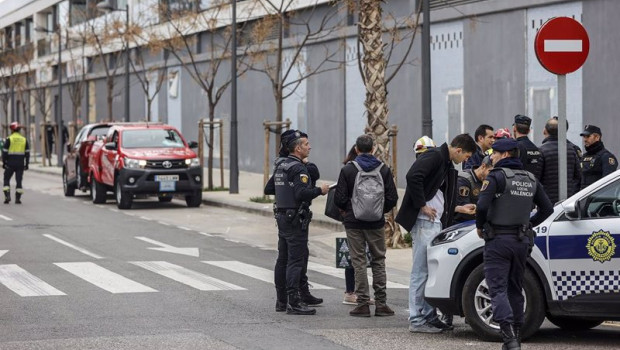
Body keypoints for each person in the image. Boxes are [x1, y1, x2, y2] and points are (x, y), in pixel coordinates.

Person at [476, 138, 553, 349]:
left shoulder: (496, 177)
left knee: (497, 289)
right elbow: (548, 209)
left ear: (506, 154)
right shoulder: (530, 178)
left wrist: (480, 226)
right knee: (515, 288)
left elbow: (482, 206)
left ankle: (508, 337)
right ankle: (516, 336)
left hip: (498, 240)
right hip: (521, 241)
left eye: (495, 153)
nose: (491, 156)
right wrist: (528, 224)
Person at [396, 134, 476, 333]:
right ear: (458, 150)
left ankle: (428, 316)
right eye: (465, 156)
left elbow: (439, 196)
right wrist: (422, 205)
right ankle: (417, 319)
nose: (465, 161)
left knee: (428, 270)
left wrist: (457, 209)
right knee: (421, 271)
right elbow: (412, 177)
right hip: (425, 222)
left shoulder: (444, 161)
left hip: (433, 221)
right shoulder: (435, 157)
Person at [264, 130, 329, 315]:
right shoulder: (298, 168)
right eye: (306, 144)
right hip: (295, 219)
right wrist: (320, 190)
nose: (310, 147)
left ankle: (281, 301)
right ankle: (294, 302)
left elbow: (269, 188)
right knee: (295, 261)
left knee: (282, 260)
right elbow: (302, 193)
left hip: (282, 217)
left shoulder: (282, 166)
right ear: (298, 148)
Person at [334, 134, 398, 317]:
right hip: (376, 223)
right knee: (378, 261)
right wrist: (379, 210)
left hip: (354, 223)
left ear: (356, 149)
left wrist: (348, 211)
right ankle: (381, 304)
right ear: (373, 149)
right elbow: (392, 198)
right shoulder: (383, 169)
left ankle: (362, 304)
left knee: (359, 262)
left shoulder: (348, 170)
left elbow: (339, 198)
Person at [539, 118, 581, 204]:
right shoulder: (571, 149)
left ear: (545, 131)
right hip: (568, 200)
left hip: (547, 201)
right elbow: (578, 176)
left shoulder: (541, 151)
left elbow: (536, 179)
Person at [454, 155, 494, 224]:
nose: (492, 176)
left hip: (477, 223)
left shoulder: (488, 181)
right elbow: (464, 207)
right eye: (490, 172)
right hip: (461, 224)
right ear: (483, 166)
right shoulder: (464, 179)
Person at [2, 122, 30, 204]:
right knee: (19, 180)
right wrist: (27, 164)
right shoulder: (24, 139)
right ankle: (18, 199)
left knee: (6, 179)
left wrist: (4, 162)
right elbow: (27, 153)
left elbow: (4, 152)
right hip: (20, 164)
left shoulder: (9, 139)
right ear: (19, 130)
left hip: (10, 163)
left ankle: (7, 196)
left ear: (12, 130)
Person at [513, 115, 543, 181]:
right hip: (533, 186)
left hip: (518, 186)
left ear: (514, 128)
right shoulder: (536, 148)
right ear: (529, 131)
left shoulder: (514, 147)